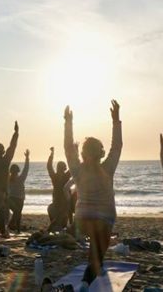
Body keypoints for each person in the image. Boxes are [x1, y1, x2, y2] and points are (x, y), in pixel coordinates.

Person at [64, 100, 122, 292]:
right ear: (100, 153)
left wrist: (68, 123)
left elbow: (67, 148)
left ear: (83, 153)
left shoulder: (77, 170)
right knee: (97, 257)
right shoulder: (107, 168)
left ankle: (90, 274)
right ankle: (85, 283)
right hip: (104, 220)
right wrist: (116, 121)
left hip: (82, 220)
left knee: (96, 254)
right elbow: (117, 147)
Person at [47, 147, 71, 232]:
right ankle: (54, 229)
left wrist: (52, 154)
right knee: (56, 217)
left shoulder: (64, 176)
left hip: (63, 201)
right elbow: (49, 166)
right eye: (63, 167)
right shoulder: (57, 177)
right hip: (58, 201)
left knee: (62, 220)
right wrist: (52, 155)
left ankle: (60, 228)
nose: (63, 169)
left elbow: (49, 166)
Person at [8, 149, 29, 233]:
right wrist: (27, 158)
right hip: (16, 199)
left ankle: (17, 229)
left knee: (18, 214)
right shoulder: (19, 179)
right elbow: (26, 169)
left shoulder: (10, 179)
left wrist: (27, 158)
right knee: (18, 213)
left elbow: (25, 169)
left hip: (15, 198)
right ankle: (14, 227)